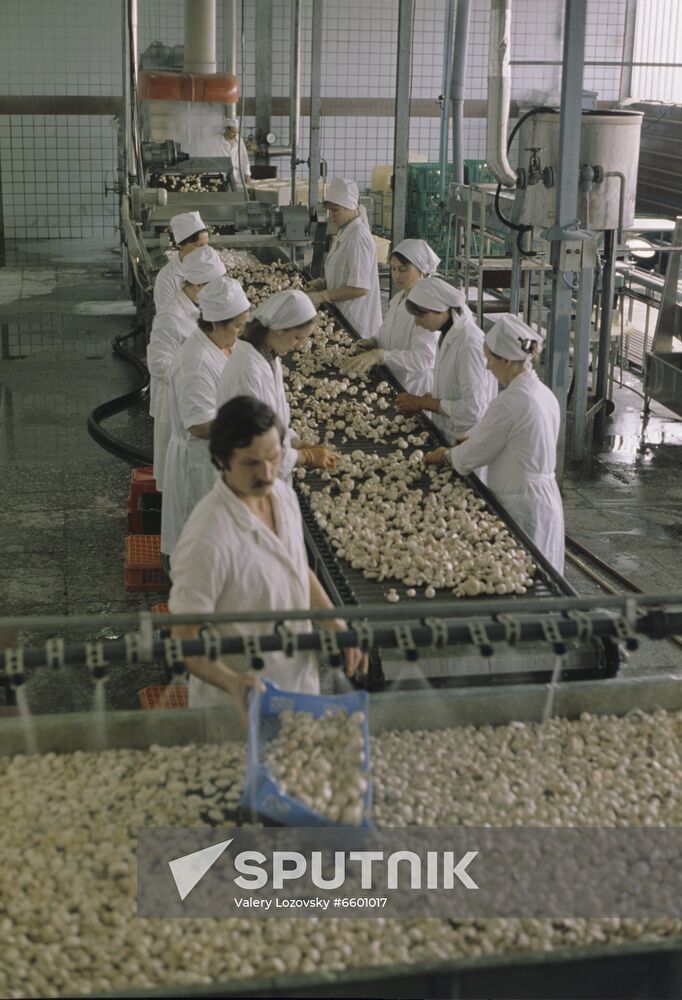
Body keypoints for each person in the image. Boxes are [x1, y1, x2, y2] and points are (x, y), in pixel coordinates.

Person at [168, 396, 368, 717]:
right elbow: (184, 638)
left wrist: (335, 622)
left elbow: (297, 568)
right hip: (239, 705)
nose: (266, 473)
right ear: (221, 459)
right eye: (251, 463)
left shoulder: (281, 494)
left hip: (296, 683)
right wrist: (231, 682)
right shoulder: (207, 536)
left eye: (274, 458)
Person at [424, 314, 565, 574]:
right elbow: (515, 437)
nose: (487, 367)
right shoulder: (542, 393)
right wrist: (475, 437)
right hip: (542, 497)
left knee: (523, 575)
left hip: (523, 502)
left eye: (489, 359)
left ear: (508, 360)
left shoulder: (511, 401)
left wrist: (445, 455)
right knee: (541, 573)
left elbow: (471, 457)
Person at [160, 276, 251, 566]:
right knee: (197, 550)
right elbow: (199, 425)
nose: (241, 332)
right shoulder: (197, 362)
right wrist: (252, 426)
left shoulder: (221, 344)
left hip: (217, 462)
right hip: (198, 465)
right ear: (214, 324)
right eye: (237, 326)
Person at [215, 290, 339, 479]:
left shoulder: (269, 356)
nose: (299, 346)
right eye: (297, 337)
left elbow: (272, 420)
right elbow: (257, 446)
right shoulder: (247, 372)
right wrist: (306, 457)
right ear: (279, 328)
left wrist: (297, 443)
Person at [147, 245, 226, 488]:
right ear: (198, 286)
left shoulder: (203, 310)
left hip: (201, 399)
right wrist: (195, 372)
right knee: (181, 482)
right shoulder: (172, 317)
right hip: (179, 402)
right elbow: (157, 363)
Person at [395, 276, 497, 445]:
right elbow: (455, 387)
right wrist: (430, 398)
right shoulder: (447, 333)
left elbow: (473, 410)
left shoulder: (469, 345)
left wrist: (424, 403)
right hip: (448, 433)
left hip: (467, 440)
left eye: (420, 316)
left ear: (441, 310)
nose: (417, 323)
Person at [344, 238, 440, 393]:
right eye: (393, 269)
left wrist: (381, 356)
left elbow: (423, 359)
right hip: (391, 381)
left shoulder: (426, 308)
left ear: (421, 270)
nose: (396, 275)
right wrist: (375, 341)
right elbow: (389, 332)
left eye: (403, 270)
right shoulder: (399, 299)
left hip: (411, 388)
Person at [305, 177, 382, 339]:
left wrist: (324, 296)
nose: (331, 215)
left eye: (335, 210)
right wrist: (324, 283)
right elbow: (347, 274)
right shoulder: (345, 231)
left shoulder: (358, 237)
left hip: (356, 323)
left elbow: (360, 287)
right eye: (330, 210)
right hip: (344, 316)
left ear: (350, 207)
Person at [153, 211, 209, 311]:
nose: (205, 251)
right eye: (199, 245)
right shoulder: (167, 278)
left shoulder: (210, 269)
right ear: (181, 245)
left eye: (206, 245)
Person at [222, 118, 251, 182]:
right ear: (226, 129)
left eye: (236, 132)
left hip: (237, 176)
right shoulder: (218, 141)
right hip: (222, 176)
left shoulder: (239, 140)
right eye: (233, 132)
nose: (235, 135)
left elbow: (244, 158)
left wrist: (247, 174)